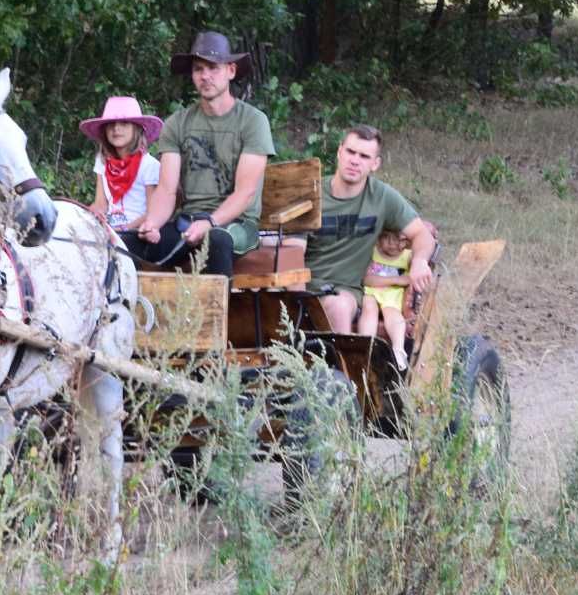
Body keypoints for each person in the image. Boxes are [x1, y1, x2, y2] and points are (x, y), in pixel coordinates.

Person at [125, 31, 273, 276]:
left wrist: (210, 222)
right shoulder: (177, 123)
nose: (205, 76)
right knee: (126, 245)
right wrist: (153, 223)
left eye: (213, 68)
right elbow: (167, 190)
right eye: (198, 69)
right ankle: (136, 313)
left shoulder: (253, 121)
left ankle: (217, 315)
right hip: (188, 221)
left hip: (237, 225)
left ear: (231, 71)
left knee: (216, 240)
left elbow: (245, 193)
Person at [304, 125, 436, 335]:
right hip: (299, 285)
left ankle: (341, 366)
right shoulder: (310, 192)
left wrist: (419, 261)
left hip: (342, 289)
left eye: (364, 156)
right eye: (350, 152)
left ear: (375, 164)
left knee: (339, 306)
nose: (355, 160)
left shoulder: (381, 197)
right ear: (339, 152)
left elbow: (423, 235)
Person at [79, 94, 163, 233]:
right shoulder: (102, 161)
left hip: (137, 233)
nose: (116, 128)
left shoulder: (149, 165)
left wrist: (125, 229)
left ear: (136, 128)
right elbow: (101, 203)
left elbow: (153, 212)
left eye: (124, 123)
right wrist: (95, 213)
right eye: (110, 124)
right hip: (110, 231)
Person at [359, 227, 413, 368]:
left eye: (398, 239)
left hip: (393, 295)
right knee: (369, 309)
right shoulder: (373, 253)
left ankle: (398, 349)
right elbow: (367, 280)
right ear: (377, 238)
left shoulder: (408, 256)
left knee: (392, 314)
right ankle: (365, 347)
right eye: (386, 238)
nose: (392, 244)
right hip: (372, 291)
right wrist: (396, 279)